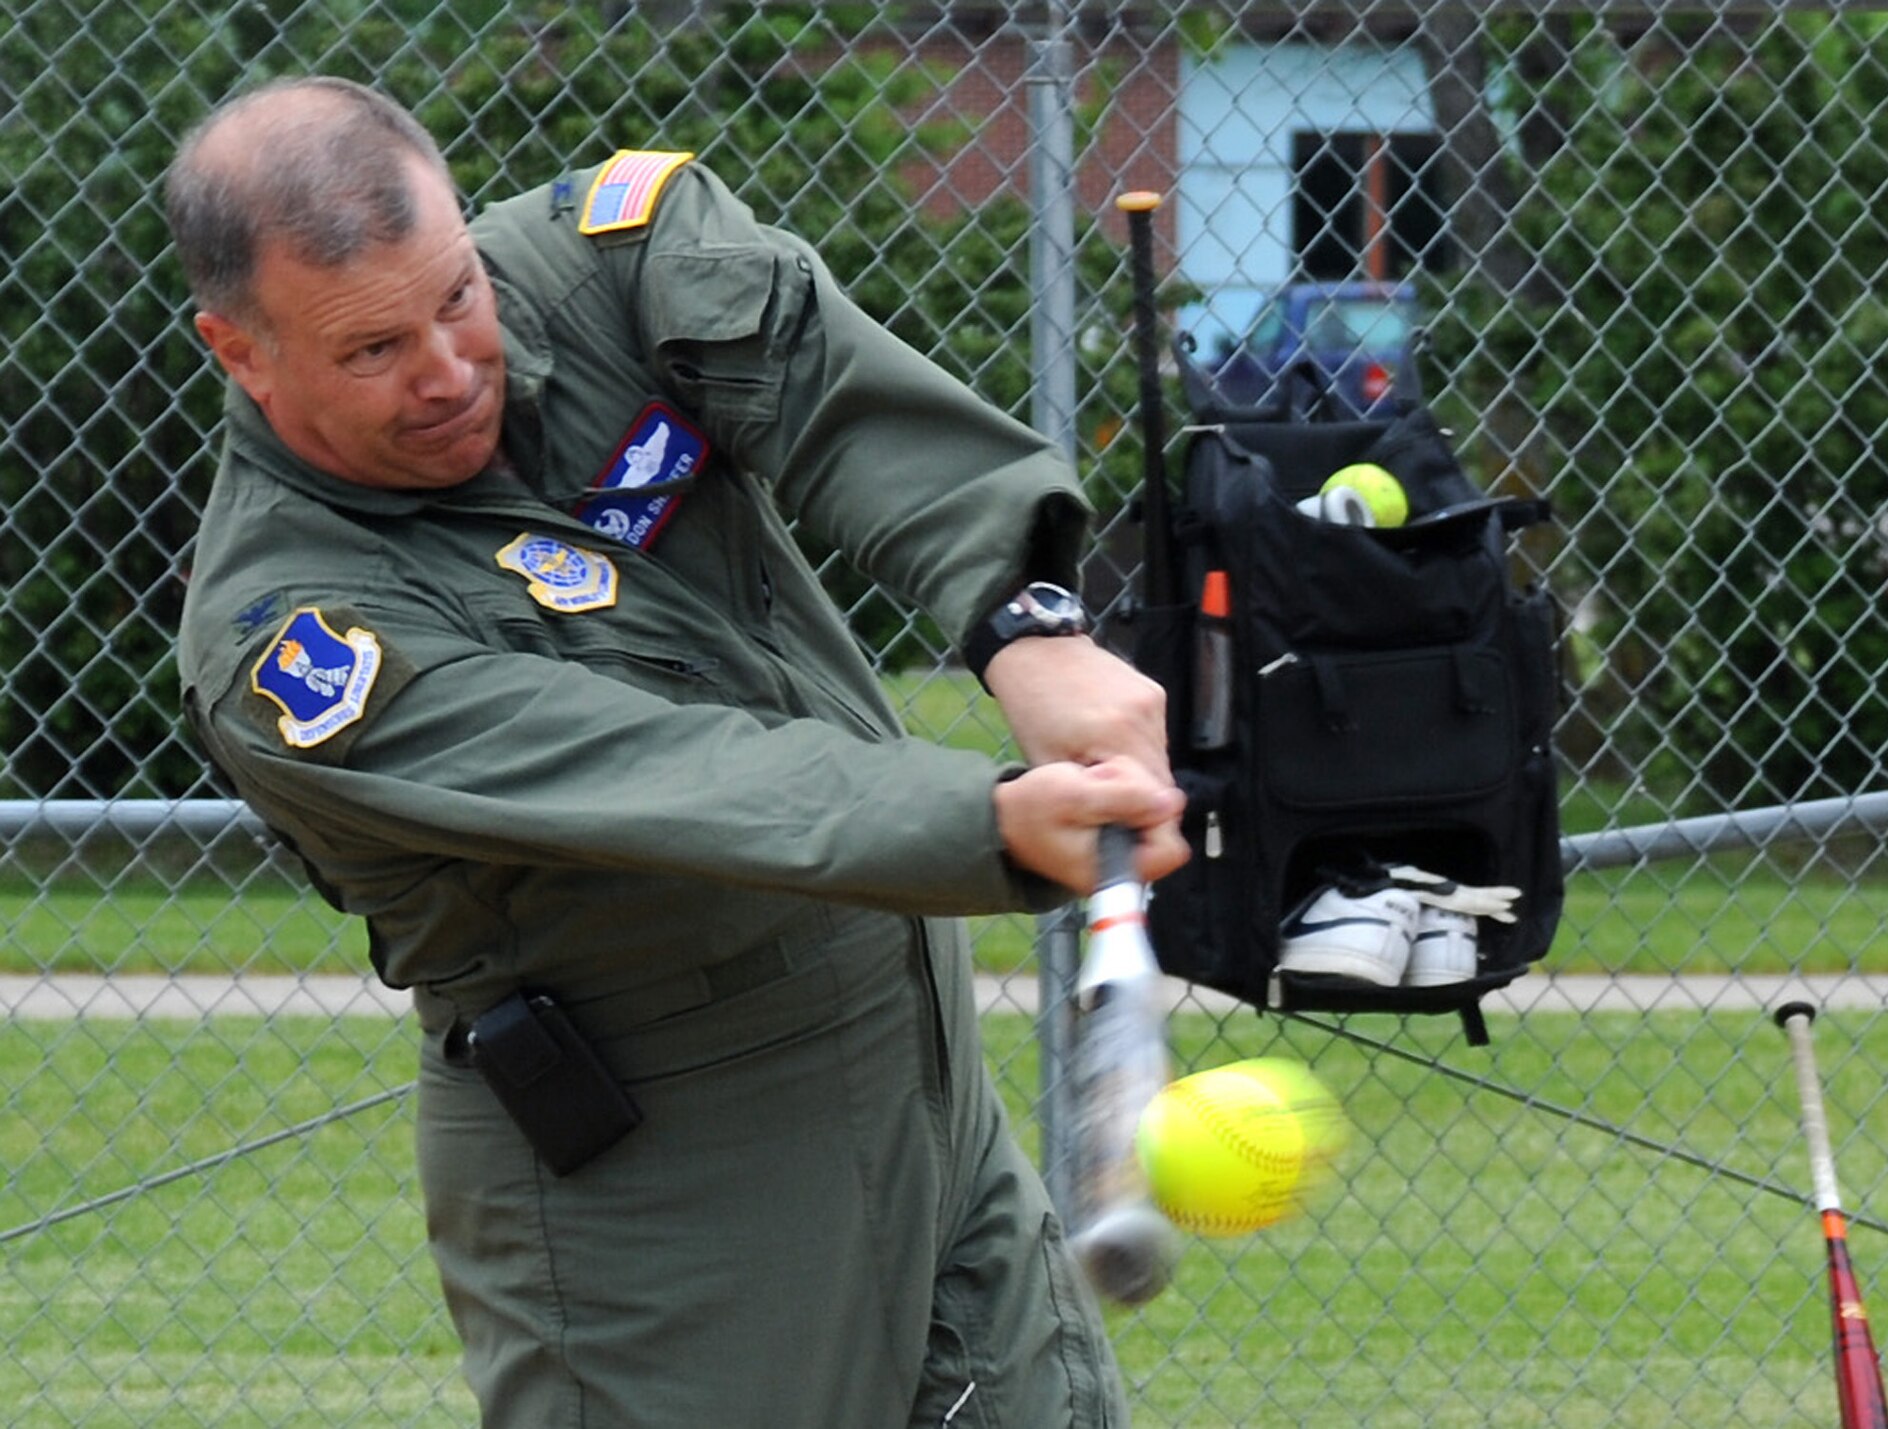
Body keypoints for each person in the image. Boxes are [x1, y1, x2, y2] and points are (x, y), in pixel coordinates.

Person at [165, 77, 1187, 1428]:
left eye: (457, 295)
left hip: (919, 1075)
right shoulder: (293, 638)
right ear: (240, 352)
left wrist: (1026, 621)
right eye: (371, 352)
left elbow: (827, 390)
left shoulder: (612, 261)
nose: (452, 369)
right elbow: (669, 773)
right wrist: (991, 821)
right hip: (672, 1176)